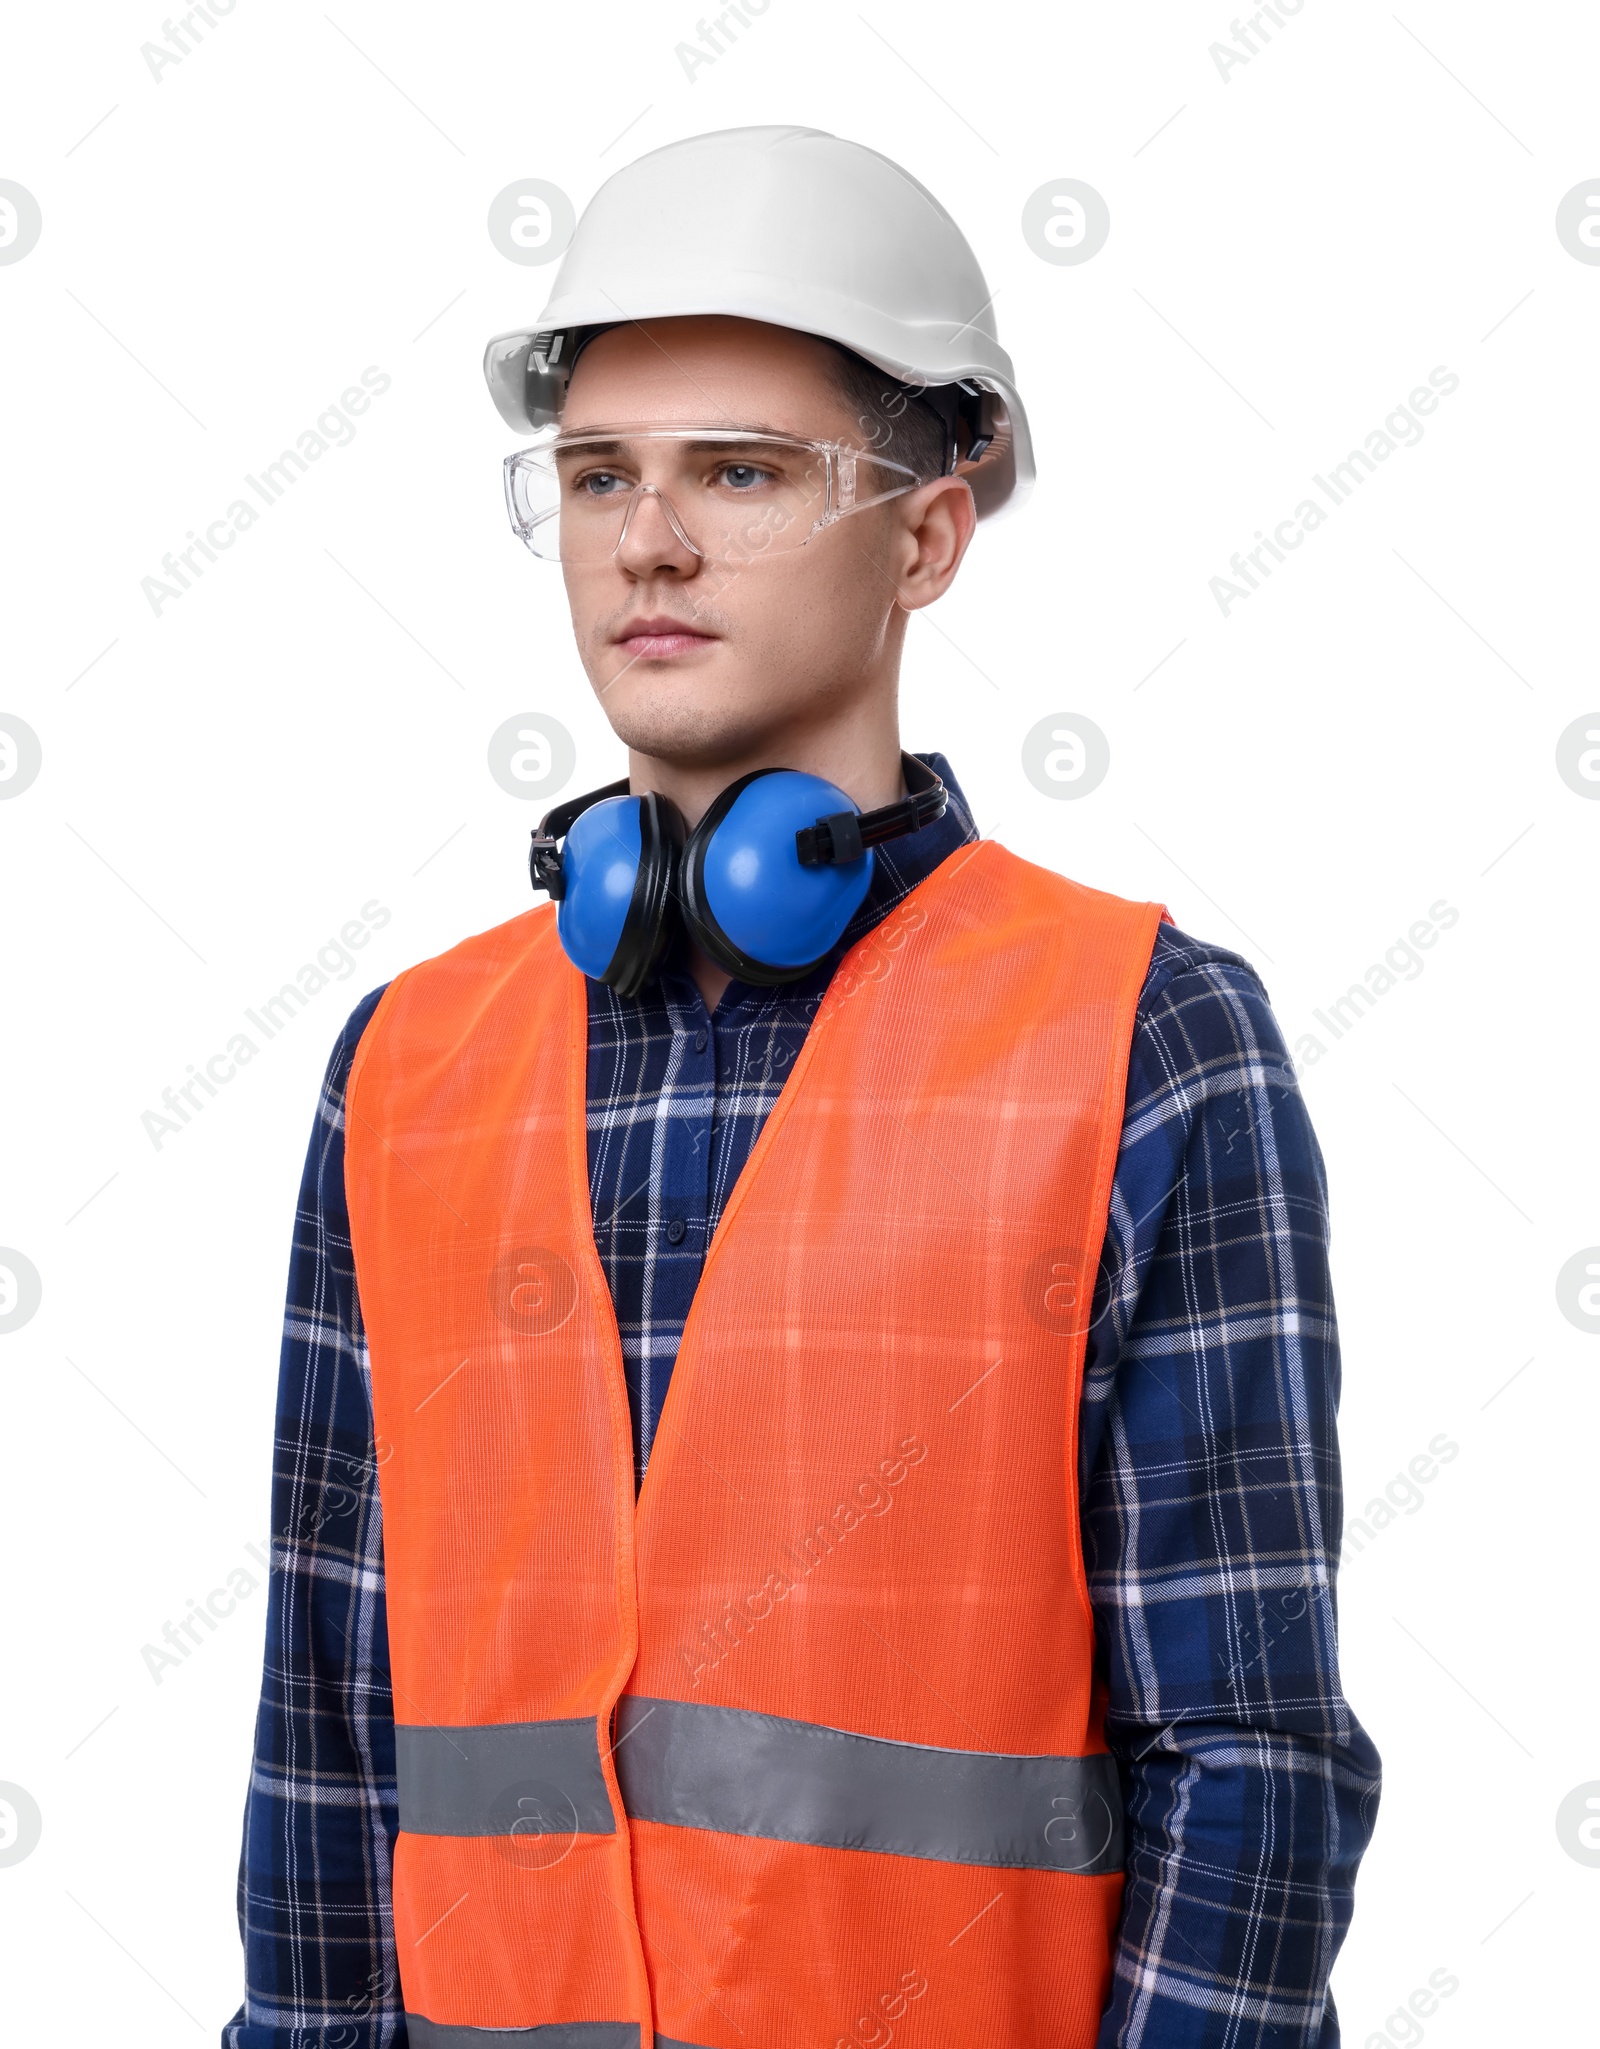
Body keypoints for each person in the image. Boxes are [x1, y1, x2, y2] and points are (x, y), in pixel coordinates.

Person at [224, 126, 1379, 2049]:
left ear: (929, 532)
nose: (648, 540)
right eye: (598, 477)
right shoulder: (408, 1067)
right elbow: (326, 1747)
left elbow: (1248, 1761)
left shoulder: (1140, 1040)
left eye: (740, 474)